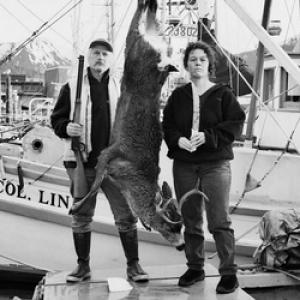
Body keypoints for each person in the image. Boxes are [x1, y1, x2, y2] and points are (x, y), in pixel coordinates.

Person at [51, 38, 149, 283]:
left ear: (110, 58)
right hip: (82, 162)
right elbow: (57, 120)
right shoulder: (71, 87)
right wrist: (67, 128)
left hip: (116, 165)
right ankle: (82, 267)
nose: (100, 58)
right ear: (89, 55)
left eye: (105, 54)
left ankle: (134, 267)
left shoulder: (120, 86)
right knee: (82, 217)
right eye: (96, 53)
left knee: (126, 216)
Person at [162, 41, 245, 294]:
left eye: (202, 60)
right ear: (186, 65)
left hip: (215, 165)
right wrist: (178, 139)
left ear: (209, 65)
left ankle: (229, 272)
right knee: (190, 217)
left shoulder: (223, 94)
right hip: (185, 165)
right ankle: (195, 267)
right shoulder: (178, 95)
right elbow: (168, 125)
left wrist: (208, 137)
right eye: (192, 59)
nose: (197, 63)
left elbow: (235, 124)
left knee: (219, 219)